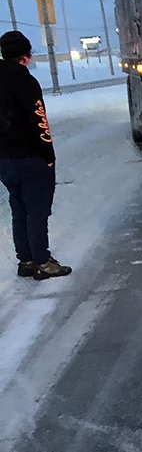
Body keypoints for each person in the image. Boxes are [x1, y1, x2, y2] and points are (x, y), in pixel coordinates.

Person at [0, 30, 70, 279]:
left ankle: (26, 260)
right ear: (25, 56)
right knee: (37, 210)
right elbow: (38, 121)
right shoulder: (25, 82)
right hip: (30, 157)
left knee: (18, 209)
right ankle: (42, 260)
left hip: (4, 159)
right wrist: (48, 155)